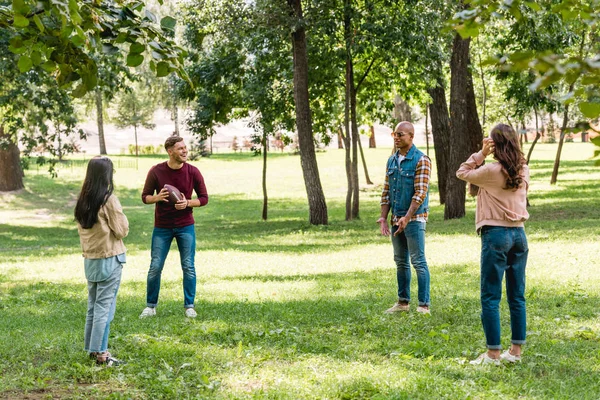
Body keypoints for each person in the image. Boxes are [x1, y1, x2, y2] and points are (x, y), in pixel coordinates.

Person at [456, 123, 529, 365]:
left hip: (496, 234)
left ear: (495, 144)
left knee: (490, 296)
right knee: (517, 295)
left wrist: (481, 153)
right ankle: (515, 352)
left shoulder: (490, 170)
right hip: (519, 235)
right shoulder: (523, 170)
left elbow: (462, 172)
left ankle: (493, 354)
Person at [140, 135, 208, 319]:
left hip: (185, 226)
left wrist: (187, 203)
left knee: (188, 266)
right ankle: (151, 306)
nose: (185, 151)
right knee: (155, 266)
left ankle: (189, 306)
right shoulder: (156, 171)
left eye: (185, 148)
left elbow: (204, 198)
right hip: (162, 227)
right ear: (170, 152)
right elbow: (145, 196)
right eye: (180, 149)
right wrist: (157, 198)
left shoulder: (193, 171)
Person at [75, 156, 129, 366]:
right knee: (104, 308)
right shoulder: (108, 200)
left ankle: (92, 349)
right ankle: (102, 355)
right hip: (110, 258)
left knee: (93, 306)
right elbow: (122, 230)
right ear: (106, 175)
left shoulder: (83, 200)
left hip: (90, 260)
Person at [378, 121, 432, 314]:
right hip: (396, 219)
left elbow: (420, 193)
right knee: (400, 261)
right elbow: (386, 192)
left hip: (414, 219)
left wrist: (408, 217)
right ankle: (403, 302)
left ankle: (423, 305)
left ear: (411, 136)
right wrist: (384, 218)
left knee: (418, 261)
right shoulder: (392, 161)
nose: (397, 138)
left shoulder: (421, 160)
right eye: (395, 134)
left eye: (400, 134)